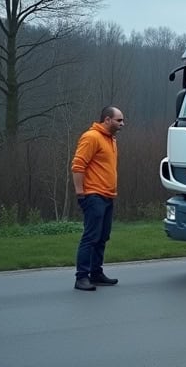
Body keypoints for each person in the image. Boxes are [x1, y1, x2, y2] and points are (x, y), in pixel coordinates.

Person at [71, 106, 125, 291]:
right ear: (107, 119)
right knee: (90, 237)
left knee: (102, 236)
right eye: (119, 120)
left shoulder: (111, 140)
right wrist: (81, 193)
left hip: (108, 196)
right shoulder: (91, 137)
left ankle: (96, 273)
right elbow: (78, 166)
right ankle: (81, 277)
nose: (122, 124)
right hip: (93, 195)